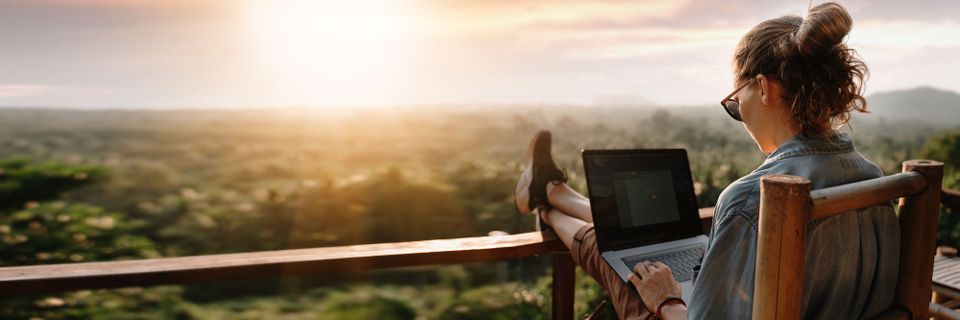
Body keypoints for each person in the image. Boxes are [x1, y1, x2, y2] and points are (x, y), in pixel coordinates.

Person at [514, 2, 899, 319]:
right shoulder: (873, 179)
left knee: (618, 258)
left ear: (762, 88)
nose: (739, 112)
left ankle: (547, 203)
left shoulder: (754, 199)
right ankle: (552, 193)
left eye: (736, 101)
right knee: (629, 245)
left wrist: (666, 299)